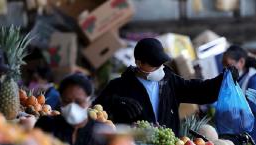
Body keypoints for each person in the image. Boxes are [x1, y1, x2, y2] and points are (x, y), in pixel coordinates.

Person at [94, 38, 238, 135]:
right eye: (154, 65)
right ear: (139, 63)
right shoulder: (119, 85)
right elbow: (95, 111)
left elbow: (200, 91)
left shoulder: (170, 82)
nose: (159, 69)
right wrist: (116, 103)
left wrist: (223, 80)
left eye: (161, 64)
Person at [35, 74, 106, 145]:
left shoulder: (100, 133)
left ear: (89, 101)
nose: (72, 107)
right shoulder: (46, 125)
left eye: (79, 102)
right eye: (67, 101)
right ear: (61, 101)